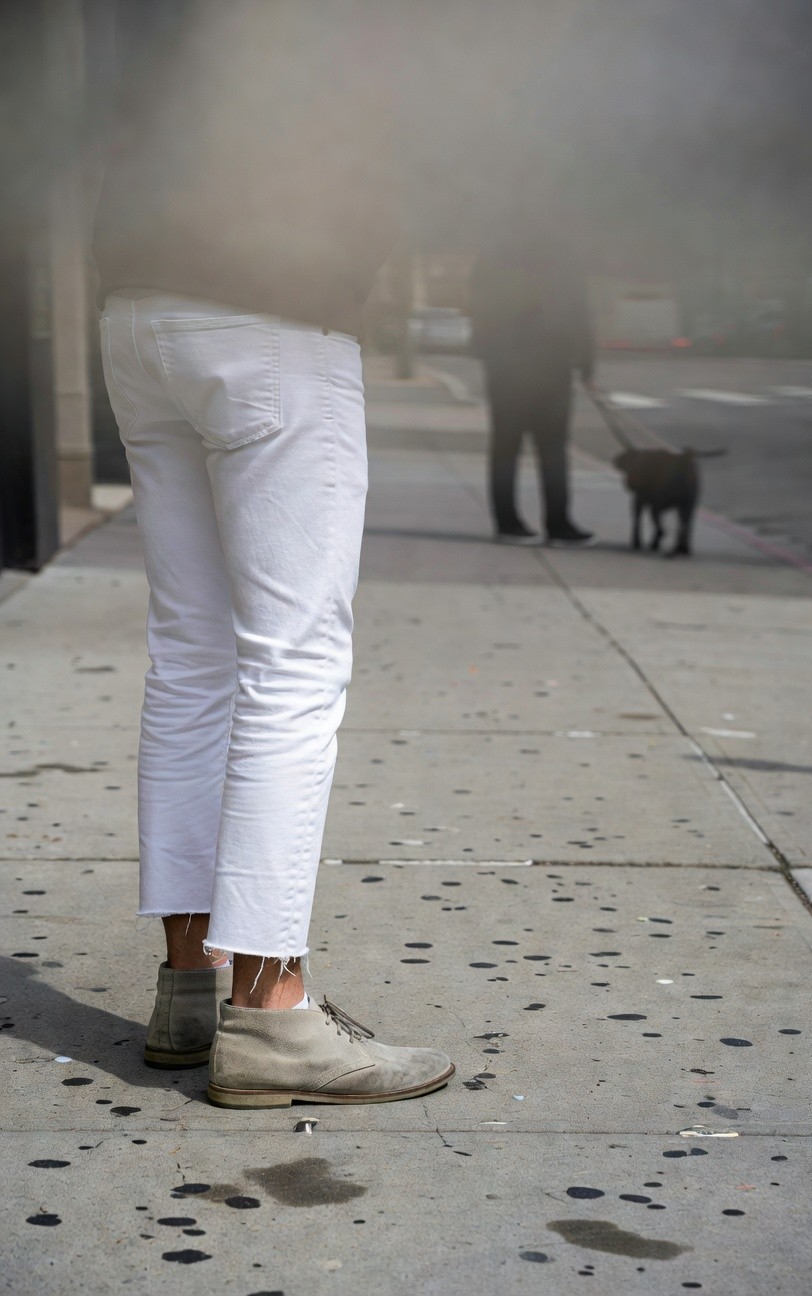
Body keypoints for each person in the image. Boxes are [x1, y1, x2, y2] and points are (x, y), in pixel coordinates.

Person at [92, 1, 453, 1108]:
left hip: (140, 303)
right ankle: (275, 1014)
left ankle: (190, 985)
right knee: (291, 663)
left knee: (194, 656)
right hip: (271, 310)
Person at [471, 227, 597, 545]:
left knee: (505, 447)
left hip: (506, 365)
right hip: (553, 363)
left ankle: (507, 522)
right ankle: (558, 523)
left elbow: (478, 307)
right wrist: (586, 363)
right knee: (552, 448)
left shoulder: (493, 255)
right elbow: (580, 312)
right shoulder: (563, 257)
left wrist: (486, 350)